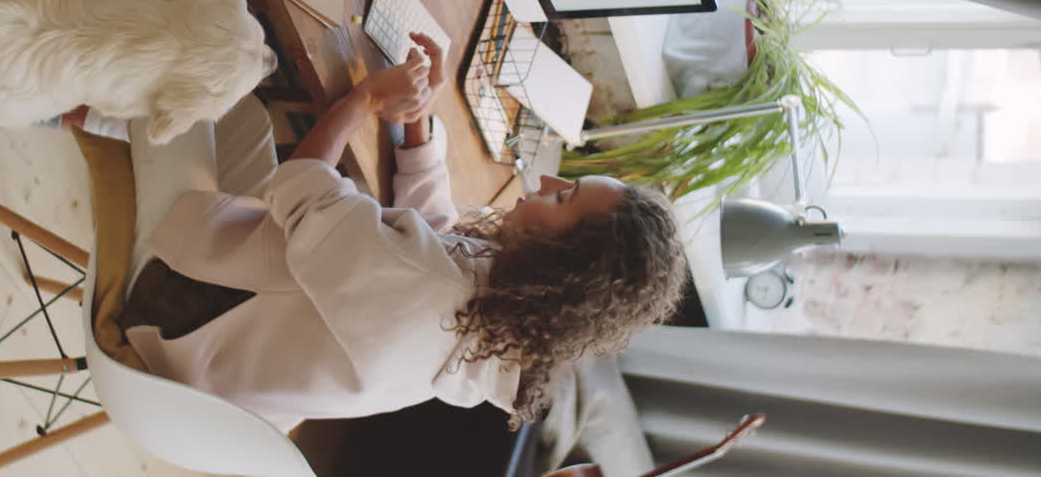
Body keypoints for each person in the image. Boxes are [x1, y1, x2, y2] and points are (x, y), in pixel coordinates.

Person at [58, 32, 688, 432]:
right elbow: (435, 234)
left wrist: (365, 99)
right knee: (245, 117)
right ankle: (71, 109)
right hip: (229, 384)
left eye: (566, 197)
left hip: (175, 312)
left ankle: (37, 80)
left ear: (564, 258)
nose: (549, 184)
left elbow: (302, 183)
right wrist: (416, 126)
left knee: (203, 64)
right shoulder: (489, 328)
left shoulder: (426, 293)